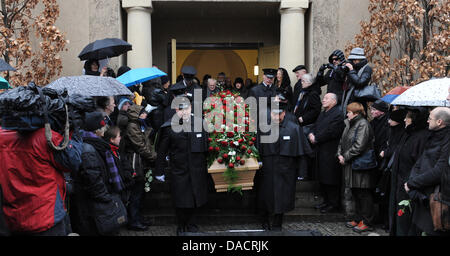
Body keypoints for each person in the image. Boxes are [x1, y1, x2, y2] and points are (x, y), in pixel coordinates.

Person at [0, 124, 78, 236]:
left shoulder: (2, 137)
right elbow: (72, 161)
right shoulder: (45, 137)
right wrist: (73, 131)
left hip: (14, 215)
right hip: (47, 216)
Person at [155, 97, 209, 235]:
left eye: (187, 108)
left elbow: (207, 146)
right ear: (176, 110)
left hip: (197, 169)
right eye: (181, 109)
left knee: (195, 197)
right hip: (179, 169)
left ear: (191, 108)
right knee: (180, 199)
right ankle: (181, 224)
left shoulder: (200, 124)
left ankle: (191, 223)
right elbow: (161, 151)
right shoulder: (169, 127)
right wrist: (159, 171)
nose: (184, 112)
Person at [257, 102, 313, 231]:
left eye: (279, 114)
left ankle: (278, 222)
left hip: (286, 168)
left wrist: (302, 172)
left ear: (284, 113)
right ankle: (264, 219)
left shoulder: (294, 128)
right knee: (266, 194)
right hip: (268, 167)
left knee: (282, 196)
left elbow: (302, 152)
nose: (276, 116)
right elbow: (258, 148)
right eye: (274, 114)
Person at [71, 111, 126, 236]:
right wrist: (106, 198)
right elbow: (93, 179)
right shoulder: (88, 148)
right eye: (103, 126)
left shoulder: (98, 145)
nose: (105, 128)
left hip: (96, 202)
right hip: (94, 205)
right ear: (96, 130)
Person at [404, 107, 450, 236]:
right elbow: (420, 161)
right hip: (421, 194)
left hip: (434, 198)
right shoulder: (432, 136)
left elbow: (440, 171)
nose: (427, 121)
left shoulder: (447, 139)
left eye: (430, 119)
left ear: (440, 122)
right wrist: (411, 181)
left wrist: (412, 184)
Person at [387, 107, 429, 236]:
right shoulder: (408, 134)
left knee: (406, 220)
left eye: (408, 117)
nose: (404, 119)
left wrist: (411, 183)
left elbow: (420, 163)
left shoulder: (422, 137)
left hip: (409, 185)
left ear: (414, 120)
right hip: (399, 183)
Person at [337, 102, 377, 233]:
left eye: (349, 112)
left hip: (361, 165)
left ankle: (367, 221)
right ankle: (358, 217)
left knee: (363, 194)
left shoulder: (363, 125)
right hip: (352, 164)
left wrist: (345, 157)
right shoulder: (349, 124)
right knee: (355, 192)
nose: (347, 113)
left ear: (356, 113)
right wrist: (339, 154)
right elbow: (342, 141)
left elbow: (359, 146)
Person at [121, 105, 157, 231]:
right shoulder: (132, 127)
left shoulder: (139, 125)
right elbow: (140, 145)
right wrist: (153, 156)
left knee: (140, 193)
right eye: (142, 113)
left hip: (141, 162)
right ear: (136, 115)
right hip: (135, 163)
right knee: (136, 193)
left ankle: (138, 218)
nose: (145, 115)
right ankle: (134, 220)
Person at [308, 93, 345, 213]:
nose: (323, 100)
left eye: (326, 98)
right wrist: (311, 133)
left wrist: (317, 138)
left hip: (331, 150)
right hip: (321, 150)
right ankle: (326, 201)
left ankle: (333, 204)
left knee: (331, 178)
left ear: (334, 101)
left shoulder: (338, 114)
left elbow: (332, 131)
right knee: (323, 177)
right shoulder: (323, 113)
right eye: (323, 98)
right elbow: (316, 125)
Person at [292, 73, 321, 180]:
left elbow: (316, 110)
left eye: (303, 81)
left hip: (307, 126)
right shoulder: (304, 92)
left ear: (309, 83)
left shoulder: (313, 94)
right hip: (300, 125)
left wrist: (303, 118)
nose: (301, 83)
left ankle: (305, 174)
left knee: (305, 150)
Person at [341, 47, 373, 114]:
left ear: (361, 59)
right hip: (348, 99)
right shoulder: (352, 68)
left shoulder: (367, 68)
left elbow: (360, 82)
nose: (354, 61)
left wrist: (351, 70)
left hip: (359, 102)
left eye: (356, 59)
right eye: (353, 59)